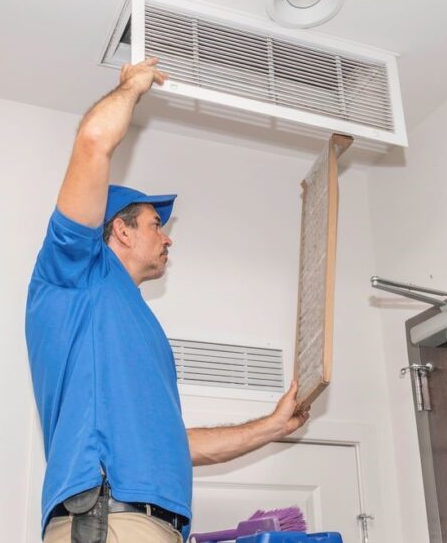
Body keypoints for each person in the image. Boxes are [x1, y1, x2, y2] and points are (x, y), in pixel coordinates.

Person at [25, 57, 311, 543]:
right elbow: (93, 141)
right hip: (108, 518)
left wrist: (272, 426)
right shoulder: (77, 277)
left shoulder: (136, 322)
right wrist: (131, 88)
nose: (167, 237)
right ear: (121, 230)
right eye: (156, 225)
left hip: (150, 524)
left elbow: (175, 447)